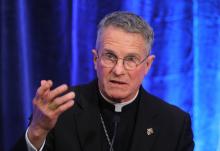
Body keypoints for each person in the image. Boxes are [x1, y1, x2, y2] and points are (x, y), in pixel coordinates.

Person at [13, 11, 194, 151]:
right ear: (95, 59)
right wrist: (37, 131)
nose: (118, 70)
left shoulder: (174, 124)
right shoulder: (59, 111)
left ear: (147, 65)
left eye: (131, 59)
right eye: (109, 56)